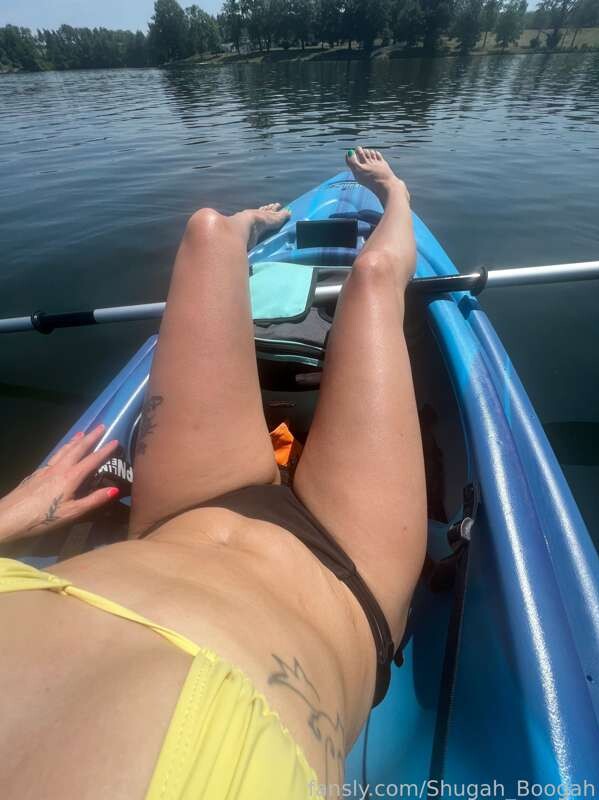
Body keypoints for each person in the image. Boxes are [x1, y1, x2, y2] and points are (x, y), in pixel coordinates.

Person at [0, 148, 426, 799]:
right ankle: (395, 191)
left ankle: (251, 223)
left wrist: (9, 517)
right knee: (372, 277)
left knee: (206, 231)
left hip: (179, 518)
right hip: (345, 581)